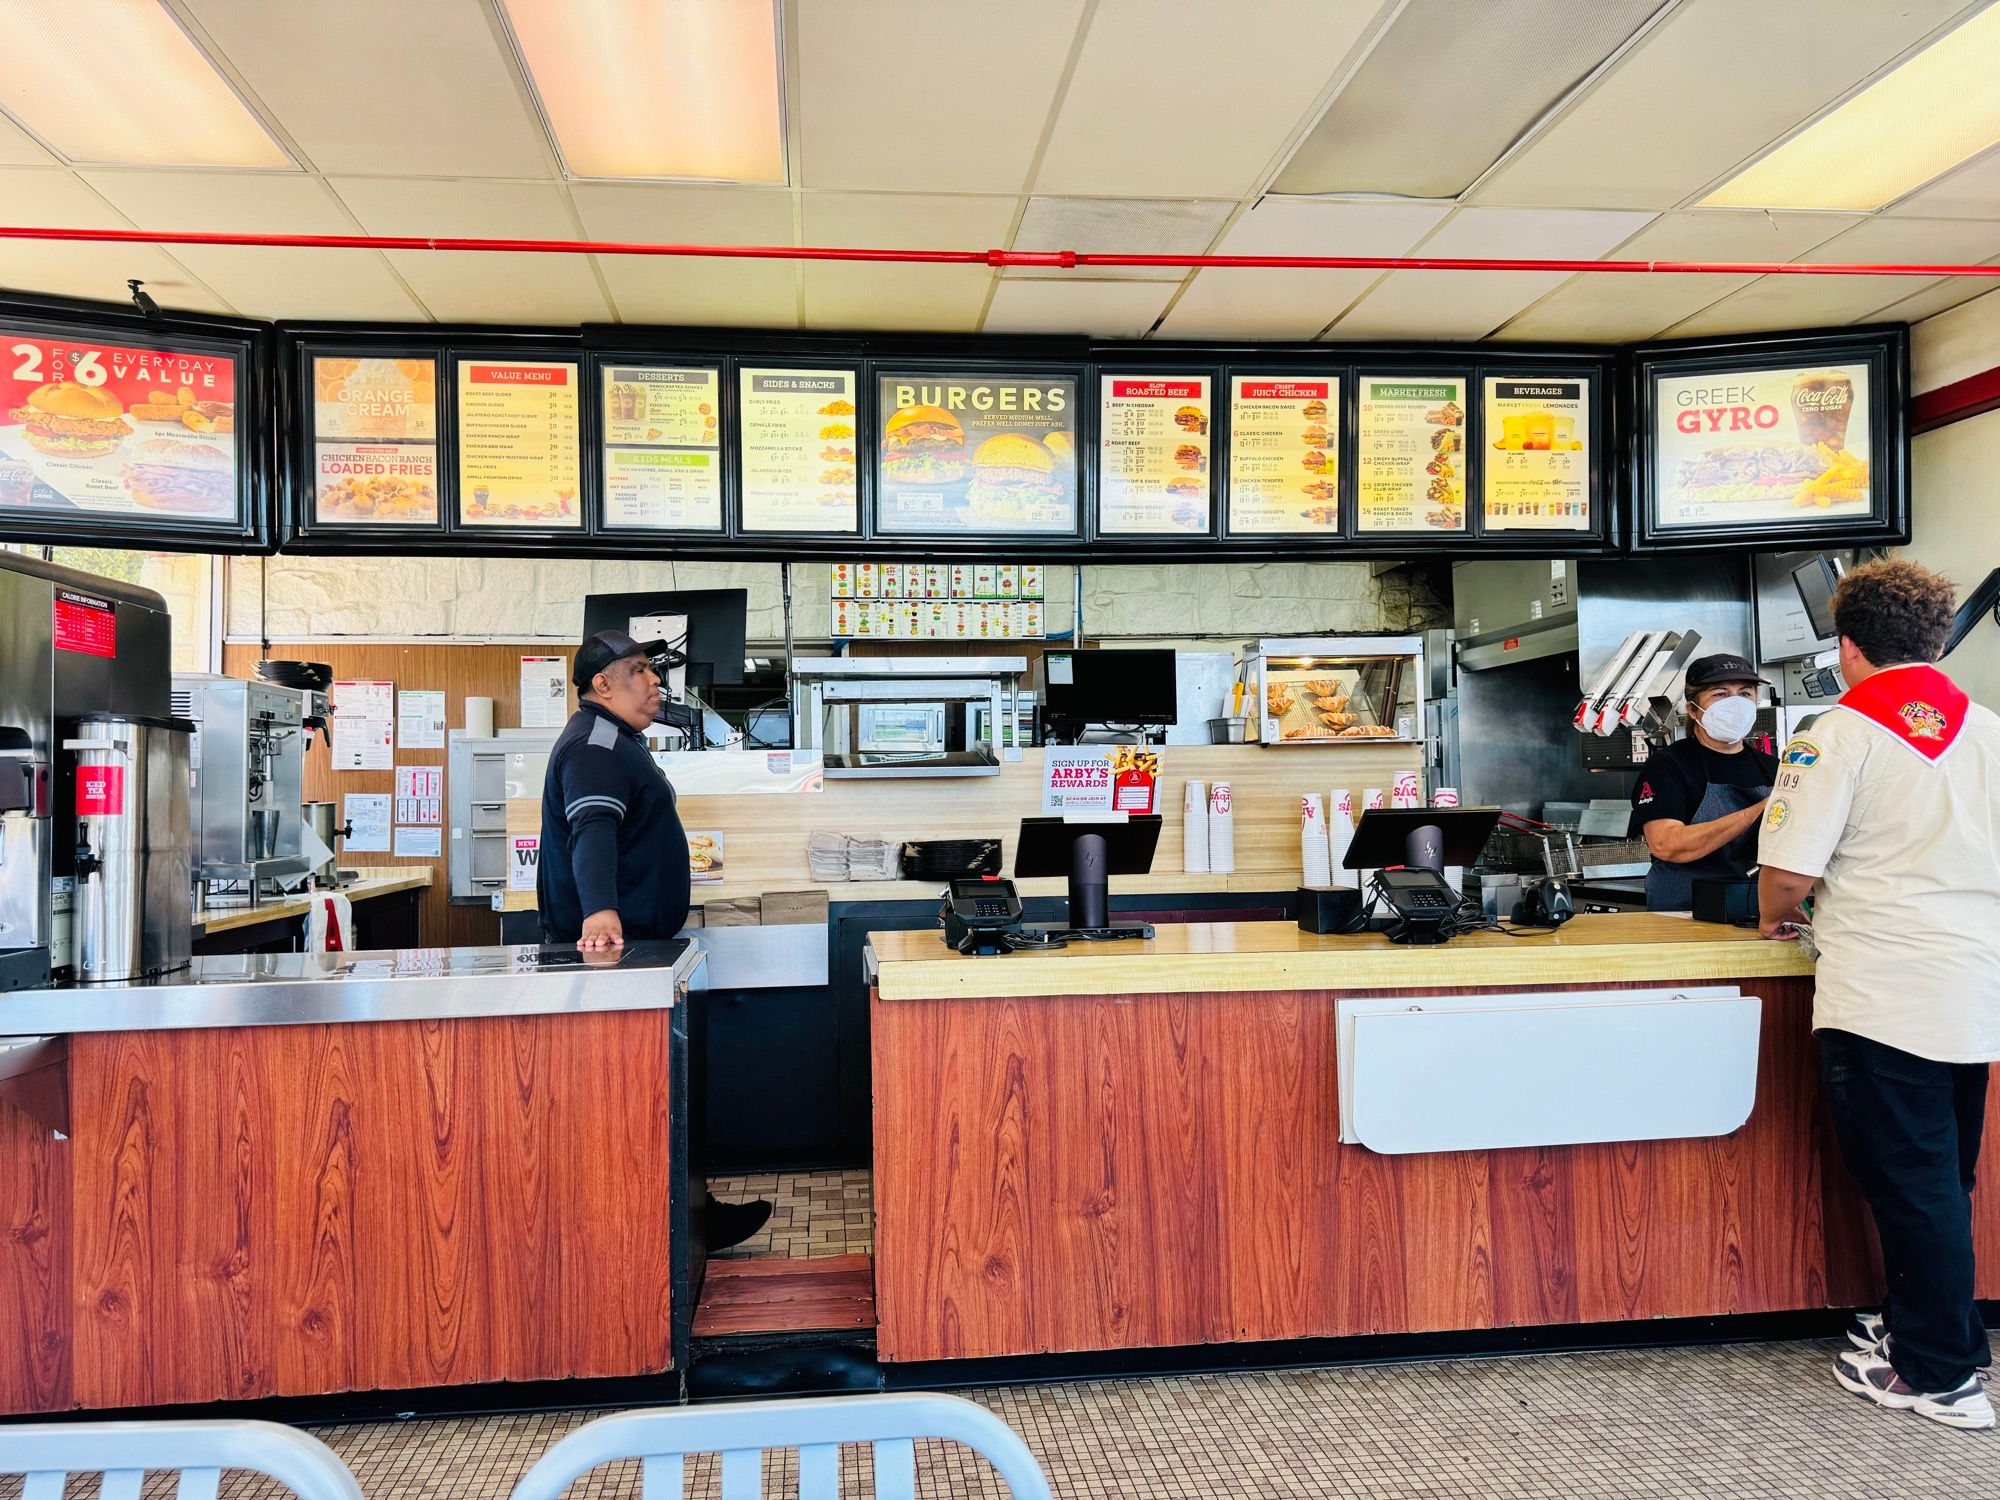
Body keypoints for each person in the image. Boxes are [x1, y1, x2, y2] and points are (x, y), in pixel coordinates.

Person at [1756, 559, 2000, 1430]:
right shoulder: (1989, 731)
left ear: (1849, 647)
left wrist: (1773, 920)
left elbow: (1785, 878)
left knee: (1913, 1184)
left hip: (1883, 992)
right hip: (1973, 993)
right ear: (1936, 640)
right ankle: (1938, 1335)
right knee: (1943, 1178)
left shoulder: (1841, 731)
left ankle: (1938, 1375)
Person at [540, 628, 771, 1247]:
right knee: (636, 1100)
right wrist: (601, 915)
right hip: (616, 953)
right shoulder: (596, 746)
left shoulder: (619, 741)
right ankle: (656, 1234)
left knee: (662, 1092)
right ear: (602, 684)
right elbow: (592, 829)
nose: (656, 682)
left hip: (640, 948)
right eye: (641, 670)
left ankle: (689, 1221)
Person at [1630, 653, 1777, 911]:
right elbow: (1666, 844)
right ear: (1692, 709)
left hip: (1752, 909)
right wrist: (1757, 812)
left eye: (1745, 694)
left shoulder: (1772, 768)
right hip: (1682, 913)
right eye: (1720, 694)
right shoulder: (1669, 766)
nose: (1735, 704)